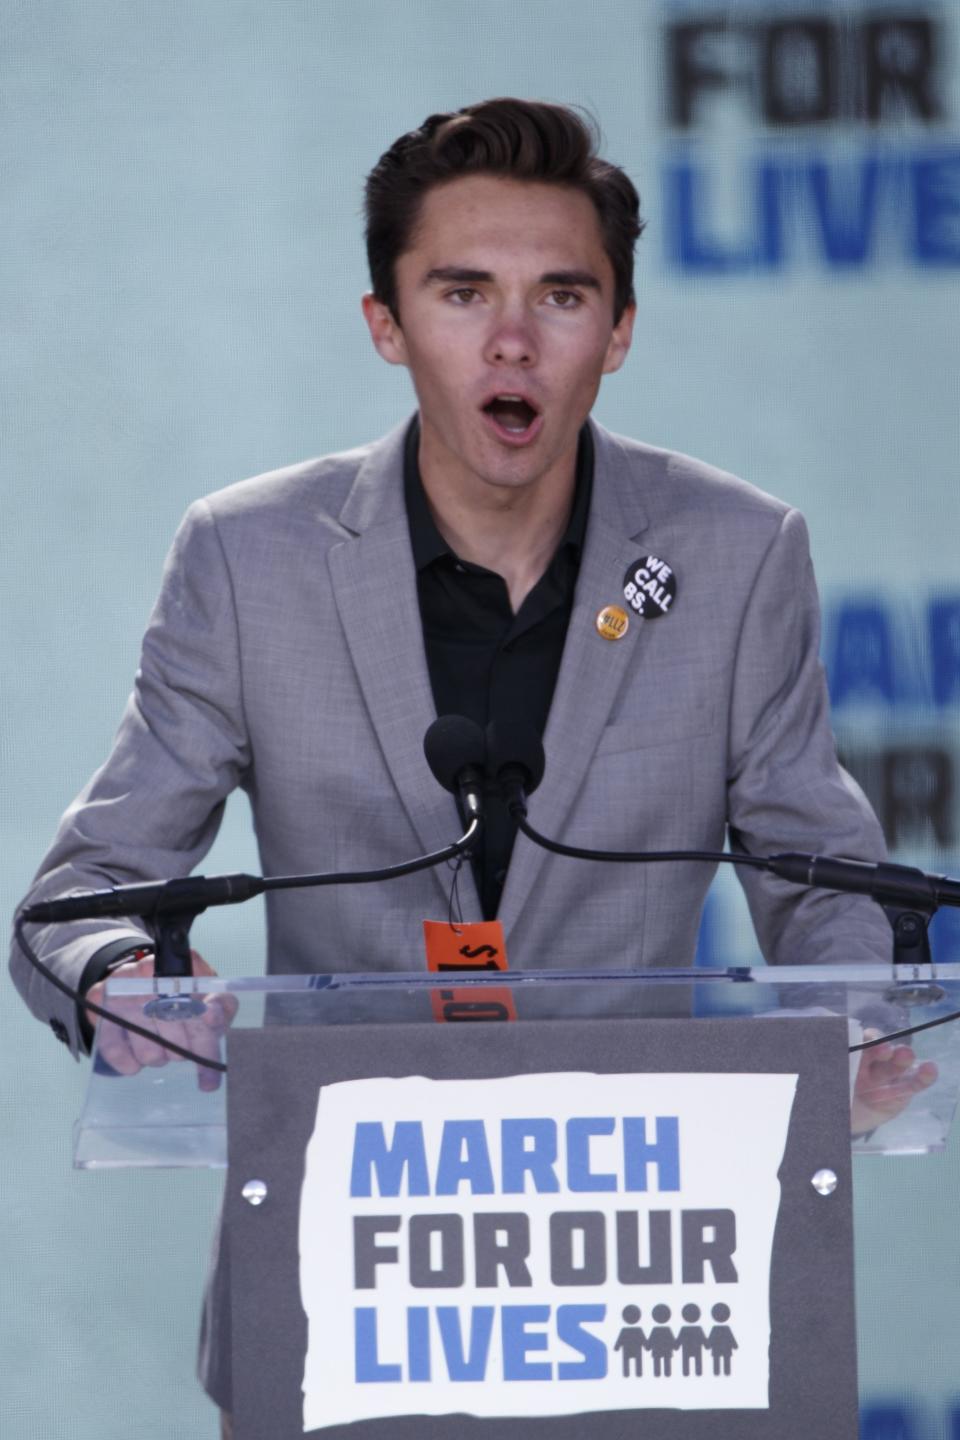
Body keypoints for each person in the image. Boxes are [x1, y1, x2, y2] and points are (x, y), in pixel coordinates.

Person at [9, 98, 934, 1428]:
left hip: (651, 1277)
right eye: (462, 292)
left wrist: (867, 1004)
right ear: (386, 323)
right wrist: (124, 984)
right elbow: (84, 896)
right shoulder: (248, 558)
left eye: (562, 295)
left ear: (617, 332)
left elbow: (819, 867)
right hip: (351, 1281)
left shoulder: (735, 554)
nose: (513, 339)